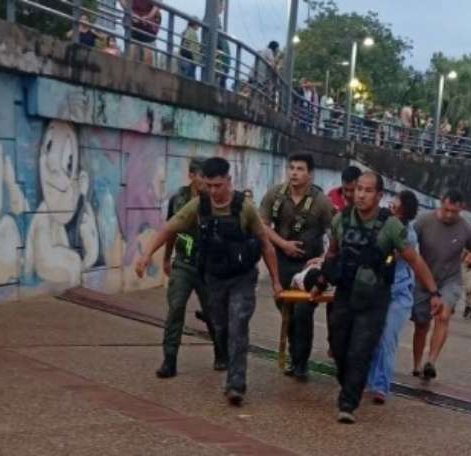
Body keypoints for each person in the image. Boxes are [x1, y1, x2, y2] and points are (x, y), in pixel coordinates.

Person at [135, 157, 282, 406]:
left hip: (242, 277)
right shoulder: (198, 205)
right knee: (220, 326)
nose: (213, 191)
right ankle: (221, 355)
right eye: (209, 185)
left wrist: (276, 282)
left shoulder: (244, 207)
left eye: (218, 185)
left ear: (229, 181)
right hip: (214, 277)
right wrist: (147, 255)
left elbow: (266, 245)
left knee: (238, 324)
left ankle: (236, 384)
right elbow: (169, 229)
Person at [312, 172, 444, 423]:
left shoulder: (391, 226)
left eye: (368, 190)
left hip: (374, 298)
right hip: (345, 292)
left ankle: (348, 404)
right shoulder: (341, 220)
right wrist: (320, 282)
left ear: (379, 195)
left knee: (360, 349)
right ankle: (350, 383)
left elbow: (415, 260)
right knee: (338, 345)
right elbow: (332, 254)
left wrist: (434, 292)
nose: (361, 195)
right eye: (358, 189)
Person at [259, 154, 333, 380]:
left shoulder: (321, 202)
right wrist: (283, 244)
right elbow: (262, 226)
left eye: (300, 169)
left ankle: (301, 363)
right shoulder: (275, 195)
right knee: (286, 309)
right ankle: (295, 354)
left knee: (303, 312)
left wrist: (322, 259)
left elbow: (335, 235)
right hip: (281, 261)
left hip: (308, 266)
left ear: (310, 174)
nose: (294, 173)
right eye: (291, 168)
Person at [153, 158, 226, 379]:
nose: (206, 181)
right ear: (192, 175)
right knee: (175, 308)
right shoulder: (178, 198)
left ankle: (220, 352)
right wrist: (167, 258)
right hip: (183, 263)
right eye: (202, 176)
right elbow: (170, 230)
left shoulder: (216, 200)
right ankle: (169, 360)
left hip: (208, 267)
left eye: (209, 177)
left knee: (213, 312)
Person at [411, 190, 471, 381]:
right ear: (441, 203)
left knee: (443, 316)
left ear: (462, 209)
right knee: (421, 325)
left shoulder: (466, 229)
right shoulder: (423, 221)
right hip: (423, 280)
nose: (449, 215)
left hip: (450, 280)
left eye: (454, 212)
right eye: (446, 210)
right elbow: (406, 244)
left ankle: (431, 362)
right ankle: (417, 364)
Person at [366, 190, 420, 405]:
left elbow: (389, 256)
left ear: (403, 209)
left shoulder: (408, 235)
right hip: (378, 289)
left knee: (388, 338)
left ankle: (381, 386)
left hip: (399, 293)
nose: (391, 205)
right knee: (372, 336)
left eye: (395, 203)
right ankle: (368, 380)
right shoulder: (381, 224)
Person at [120, 0, 160, 66]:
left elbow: (158, 3)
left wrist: (149, 16)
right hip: (133, 24)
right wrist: (132, 13)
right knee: (133, 53)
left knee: (148, 56)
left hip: (149, 27)